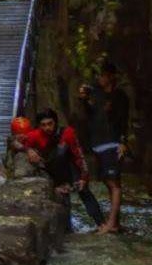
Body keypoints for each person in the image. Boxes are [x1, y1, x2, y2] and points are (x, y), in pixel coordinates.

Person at [11, 108, 106, 230]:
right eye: (43, 125)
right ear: (39, 126)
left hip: (70, 168)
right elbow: (14, 142)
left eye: (50, 124)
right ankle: (67, 229)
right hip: (54, 171)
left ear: (55, 122)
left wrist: (84, 177)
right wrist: (28, 150)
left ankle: (102, 224)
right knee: (62, 199)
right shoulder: (35, 135)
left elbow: (79, 156)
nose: (47, 128)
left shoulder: (68, 133)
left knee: (84, 191)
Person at [79, 61, 130, 234]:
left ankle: (112, 223)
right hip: (99, 143)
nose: (99, 78)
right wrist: (85, 100)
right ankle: (115, 222)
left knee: (113, 182)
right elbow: (90, 115)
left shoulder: (119, 96)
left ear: (110, 77)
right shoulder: (98, 94)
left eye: (102, 75)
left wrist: (123, 142)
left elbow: (123, 120)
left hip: (112, 142)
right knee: (108, 183)